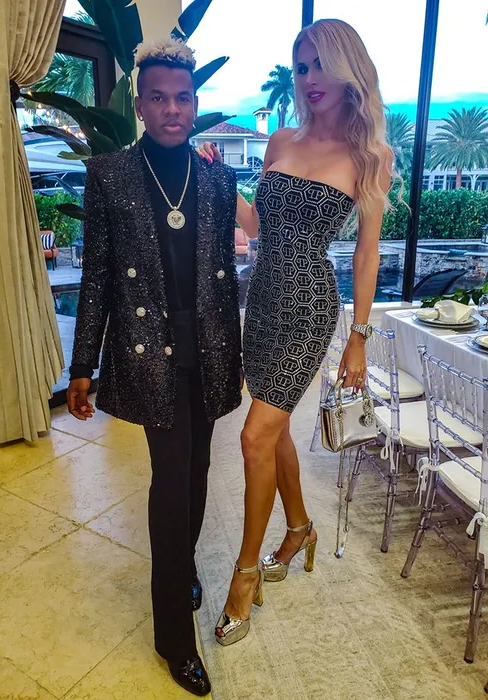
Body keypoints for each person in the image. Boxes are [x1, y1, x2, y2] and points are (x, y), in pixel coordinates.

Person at [198, 18, 393, 645]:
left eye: (319, 65)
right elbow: (258, 226)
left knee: (254, 436)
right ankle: (300, 527)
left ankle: (245, 574)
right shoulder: (281, 139)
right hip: (261, 299)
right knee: (274, 428)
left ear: (347, 70)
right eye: (301, 66)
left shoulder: (369, 157)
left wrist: (358, 336)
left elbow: (367, 253)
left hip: (309, 306)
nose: (309, 77)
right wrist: (222, 183)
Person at [67, 37, 242, 696]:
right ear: (139, 105)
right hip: (149, 356)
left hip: (209, 352)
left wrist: (238, 354)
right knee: (170, 486)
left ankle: (184, 566)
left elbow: (224, 280)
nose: (173, 109)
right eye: (159, 98)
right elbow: (97, 278)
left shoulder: (218, 179)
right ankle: (174, 637)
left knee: (196, 477)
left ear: (195, 104)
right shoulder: (110, 175)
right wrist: (83, 363)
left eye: (183, 98)